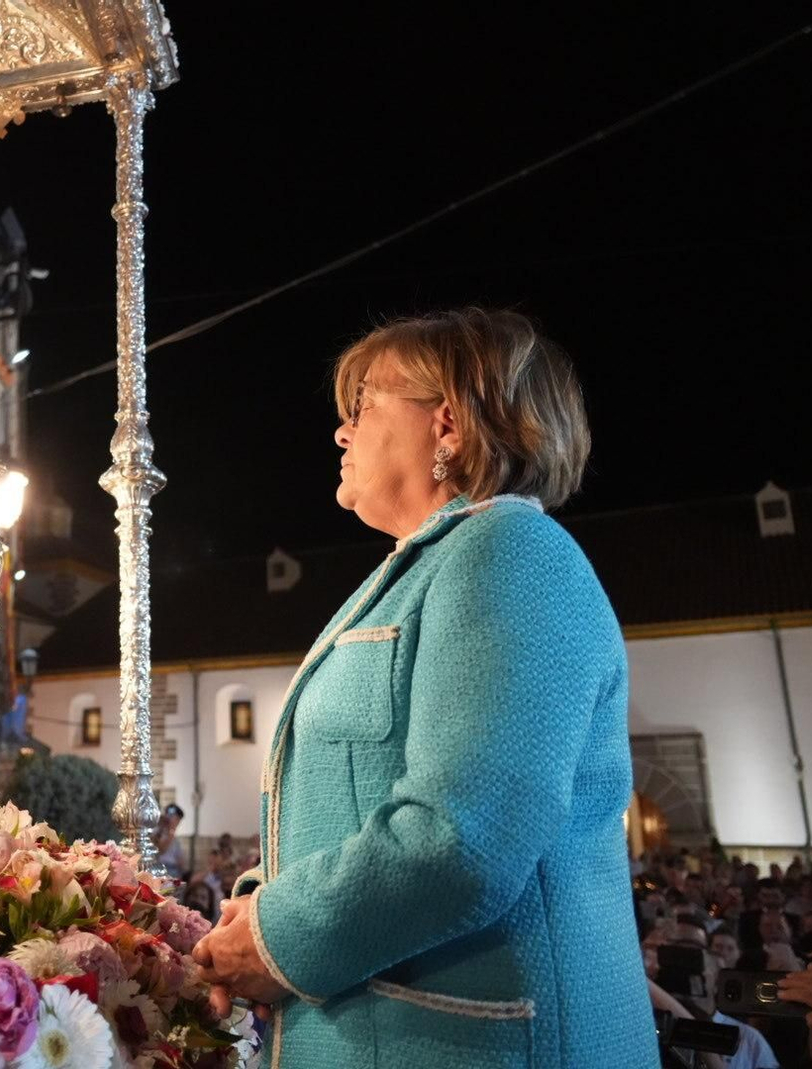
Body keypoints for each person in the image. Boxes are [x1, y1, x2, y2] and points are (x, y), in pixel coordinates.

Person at [191, 308, 657, 1065]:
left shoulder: (510, 551)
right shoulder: (426, 566)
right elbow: (349, 807)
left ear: (448, 423)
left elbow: (464, 834)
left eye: (363, 405)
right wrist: (257, 910)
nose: (341, 432)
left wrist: (279, 938)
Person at [155, 803, 187, 880]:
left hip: (175, 871)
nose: (177, 823)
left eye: (178, 820)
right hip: (162, 870)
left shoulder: (174, 837)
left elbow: (180, 860)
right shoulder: (157, 832)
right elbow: (161, 850)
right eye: (176, 819)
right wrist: (171, 832)